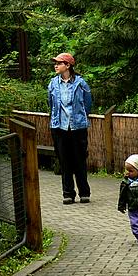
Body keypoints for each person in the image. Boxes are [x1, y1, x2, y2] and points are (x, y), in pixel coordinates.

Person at [47, 52, 92, 204]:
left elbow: (87, 104)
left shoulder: (81, 83)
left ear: (68, 66)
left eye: (59, 63)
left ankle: (84, 193)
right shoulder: (53, 83)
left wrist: (80, 118)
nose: (55, 65)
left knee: (79, 160)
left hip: (78, 128)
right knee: (64, 161)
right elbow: (51, 104)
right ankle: (68, 194)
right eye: (55, 63)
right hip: (59, 128)